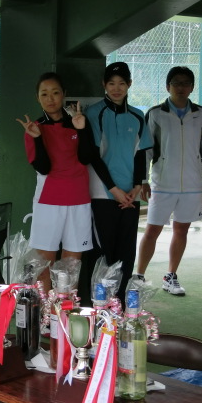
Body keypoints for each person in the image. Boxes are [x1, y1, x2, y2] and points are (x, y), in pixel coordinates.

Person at [17, 72, 104, 294]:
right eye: (44, 94)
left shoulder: (78, 122)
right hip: (48, 202)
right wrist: (37, 138)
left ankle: (64, 310)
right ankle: (45, 310)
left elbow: (86, 158)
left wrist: (81, 129)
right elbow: (43, 168)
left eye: (55, 93)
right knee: (43, 263)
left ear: (64, 94)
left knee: (71, 264)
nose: (50, 98)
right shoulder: (34, 128)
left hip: (78, 200)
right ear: (38, 98)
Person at [135, 66, 202, 296]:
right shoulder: (156, 113)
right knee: (152, 230)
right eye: (176, 82)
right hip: (162, 183)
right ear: (168, 86)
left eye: (186, 83)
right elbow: (145, 149)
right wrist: (142, 179)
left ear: (192, 87)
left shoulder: (201, 114)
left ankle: (171, 276)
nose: (181, 87)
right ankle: (138, 276)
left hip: (192, 184)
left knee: (181, 230)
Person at [84, 62, 153, 304]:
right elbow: (94, 157)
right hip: (102, 193)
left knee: (126, 252)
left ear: (129, 84)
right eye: (111, 83)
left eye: (122, 83)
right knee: (103, 253)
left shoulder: (137, 116)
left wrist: (136, 187)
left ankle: (119, 307)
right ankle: (98, 306)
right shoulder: (94, 113)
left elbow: (140, 153)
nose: (116, 88)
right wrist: (114, 190)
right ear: (104, 84)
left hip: (130, 195)